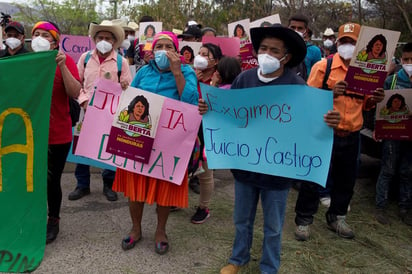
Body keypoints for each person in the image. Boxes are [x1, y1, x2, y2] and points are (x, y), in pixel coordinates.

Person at [199, 23, 340, 274]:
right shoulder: (244, 79)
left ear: (286, 57)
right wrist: (210, 110)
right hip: (245, 168)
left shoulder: (296, 87)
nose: (267, 54)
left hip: (278, 173)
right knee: (242, 220)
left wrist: (328, 121)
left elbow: (308, 125)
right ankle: (238, 260)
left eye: (275, 50)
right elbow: (230, 115)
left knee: (273, 226)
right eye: (263, 48)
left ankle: (269, 268)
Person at [294, 22, 385, 242]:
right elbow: (307, 102)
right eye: (344, 41)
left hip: (352, 134)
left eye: (353, 42)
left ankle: (337, 217)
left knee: (346, 180)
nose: (348, 46)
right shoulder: (323, 67)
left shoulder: (367, 72)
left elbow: (365, 105)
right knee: (313, 179)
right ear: (337, 42)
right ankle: (304, 221)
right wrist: (330, 93)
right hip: (323, 134)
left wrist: (375, 99)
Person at [113, 31, 198, 254]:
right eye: (158, 46)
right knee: (135, 187)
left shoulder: (187, 72)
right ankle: (136, 229)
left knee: (164, 188)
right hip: (140, 138)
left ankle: (161, 230)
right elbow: (131, 100)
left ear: (177, 52)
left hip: (170, 143)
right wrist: (124, 91)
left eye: (168, 47)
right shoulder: (143, 73)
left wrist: (177, 72)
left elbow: (189, 102)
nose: (163, 51)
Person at [30, 21, 82, 243]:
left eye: (45, 35)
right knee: (30, 180)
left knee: (52, 180)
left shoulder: (66, 61)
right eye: (36, 34)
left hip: (57, 135)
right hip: (29, 135)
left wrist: (61, 66)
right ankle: (30, 218)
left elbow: (75, 91)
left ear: (55, 42)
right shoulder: (25, 61)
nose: (40, 38)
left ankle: (53, 220)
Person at [69, 20, 132, 202]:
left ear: (114, 41)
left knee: (109, 148)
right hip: (86, 110)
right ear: (94, 39)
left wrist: (125, 86)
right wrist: (83, 101)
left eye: (107, 38)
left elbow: (128, 89)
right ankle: (82, 185)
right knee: (82, 147)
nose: (103, 40)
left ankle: (109, 185)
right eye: (100, 37)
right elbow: (76, 82)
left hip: (110, 114)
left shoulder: (121, 62)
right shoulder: (85, 58)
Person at [374, 42, 412, 226]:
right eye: (406, 59)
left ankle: (405, 207)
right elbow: (380, 104)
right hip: (392, 133)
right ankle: (380, 206)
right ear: (401, 59)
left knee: (407, 171)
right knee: (388, 169)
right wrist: (377, 128)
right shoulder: (393, 80)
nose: (409, 63)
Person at [188, 43, 222, 198]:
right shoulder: (189, 75)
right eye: (199, 53)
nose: (200, 57)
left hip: (208, 131)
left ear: (215, 61)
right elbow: (184, 98)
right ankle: (176, 201)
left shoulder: (221, 79)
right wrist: (192, 81)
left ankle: (204, 207)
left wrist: (214, 85)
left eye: (205, 54)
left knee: (206, 172)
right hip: (189, 128)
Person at [288, 14, 322, 78]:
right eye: (293, 27)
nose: (296, 30)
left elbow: (316, 75)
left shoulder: (314, 51)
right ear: (288, 28)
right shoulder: (280, 48)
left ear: (305, 31)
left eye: (300, 28)